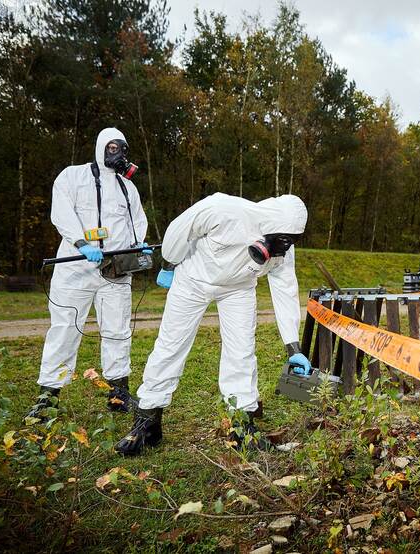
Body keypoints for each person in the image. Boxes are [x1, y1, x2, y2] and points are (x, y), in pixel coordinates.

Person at [115, 193, 309, 456]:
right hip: (193, 280)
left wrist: (293, 346)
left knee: (241, 351)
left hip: (238, 289)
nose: (284, 249)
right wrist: (170, 262)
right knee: (171, 345)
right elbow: (179, 230)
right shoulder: (222, 209)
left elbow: (285, 289)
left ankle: (241, 427)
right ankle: (147, 420)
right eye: (282, 241)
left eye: (290, 242)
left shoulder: (284, 248)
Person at [26, 128, 149, 422]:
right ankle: (48, 397)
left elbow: (138, 220)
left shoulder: (127, 188)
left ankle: (119, 392)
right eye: (111, 147)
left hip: (114, 270)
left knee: (117, 330)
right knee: (65, 328)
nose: (117, 152)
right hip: (75, 269)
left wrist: (138, 245)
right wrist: (81, 243)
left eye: (122, 147)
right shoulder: (72, 177)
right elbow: (62, 212)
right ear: (100, 147)